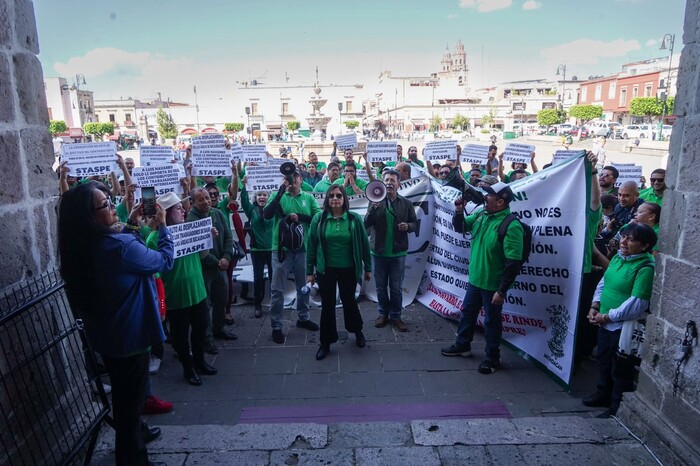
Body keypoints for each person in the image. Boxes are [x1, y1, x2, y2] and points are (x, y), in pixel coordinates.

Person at [58, 182, 174, 466]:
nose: (112, 207)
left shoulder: (82, 245)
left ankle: (137, 437)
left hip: (108, 336)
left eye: (111, 201)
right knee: (129, 407)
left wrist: (132, 224)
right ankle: (133, 459)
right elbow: (163, 261)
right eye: (105, 205)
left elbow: (122, 255)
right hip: (131, 336)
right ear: (89, 216)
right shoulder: (118, 246)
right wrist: (162, 228)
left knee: (125, 398)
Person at [441, 182, 524, 374]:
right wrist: (459, 210)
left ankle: (492, 358)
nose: (484, 197)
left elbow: (514, 262)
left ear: (501, 201)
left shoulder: (511, 226)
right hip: (475, 280)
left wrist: (502, 291)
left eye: (489, 195)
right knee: (467, 313)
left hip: (493, 285)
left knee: (491, 322)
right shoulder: (481, 215)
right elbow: (460, 227)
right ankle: (463, 345)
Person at [584, 223, 657, 418]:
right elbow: (604, 283)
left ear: (644, 246)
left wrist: (607, 317)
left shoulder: (645, 267)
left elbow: (637, 303)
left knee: (620, 368)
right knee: (604, 360)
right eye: (623, 236)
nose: (624, 241)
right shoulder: (618, 257)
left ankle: (616, 407)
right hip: (604, 322)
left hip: (622, 327)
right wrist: (595, 306)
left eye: (631, 239)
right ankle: (602, 394)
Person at [147, 192, 217, 386]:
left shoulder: (189, 230)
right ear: (166, 213)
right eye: (178, 208)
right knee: (180, 335)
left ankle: (200, 362)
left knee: (201, 328)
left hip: (197, 290)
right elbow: (155, 270)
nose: (184, 211)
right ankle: (188, 369)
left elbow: (202, 256)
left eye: (182, 207)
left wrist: (207, 239)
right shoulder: (154, 238)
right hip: (176, 295)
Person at [306, 184, 372, 360]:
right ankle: (325, 342)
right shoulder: (318, 219)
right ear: (327, 200)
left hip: (349, 268)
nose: (335, 198)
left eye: (338, 195)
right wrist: (309, 272)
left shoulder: (354, 219)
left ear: (344, 199)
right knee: (327, 305)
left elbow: (365, 245)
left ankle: (357, 330)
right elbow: (311, 246)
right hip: (325, 269)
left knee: (349, 300)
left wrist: (369, 268)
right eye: (331, 196)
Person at [263, 168, 322, 344]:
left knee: (303, 286)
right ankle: (277, 326)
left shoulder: (308, 197)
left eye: (295, 176)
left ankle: (303, 317)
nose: (293, 179)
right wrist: (281, 191)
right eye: (289, 177)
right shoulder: (278, 195)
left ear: (301, 180)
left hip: (302, 249)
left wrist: (301, 217)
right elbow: (267, 214)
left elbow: (318, 216)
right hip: (281, 250)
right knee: (277, 289)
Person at [364, 170, 418, 332]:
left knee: (395, 288)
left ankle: (396, 316)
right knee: (380, 287)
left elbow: (415, 223)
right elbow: (366, 222)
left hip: (397, 254)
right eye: (386, 180)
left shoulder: (406, 203)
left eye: (392, 180)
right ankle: (383, 314)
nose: (389, 182)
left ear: (399, 184)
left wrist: (408, 226)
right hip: (378, 253)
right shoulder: (375, 200)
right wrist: (373, 209)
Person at [187, 187, 238, 356]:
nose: (206, 201)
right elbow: (198, 249)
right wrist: (217, 262)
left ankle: (219, 328)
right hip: (204, 269)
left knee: (221, 299)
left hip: (221, 266)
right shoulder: (190, 220)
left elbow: (228, 237)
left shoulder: (217, 213)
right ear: (193, 202)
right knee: (205, 305)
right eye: (201, 199)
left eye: (207, 198)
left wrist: (227, 256)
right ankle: (206, 338)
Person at [240, 184, 273, 317]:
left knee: (273, 276)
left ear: (268, 197)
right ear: (255, 197)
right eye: (259, 195)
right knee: (258, 277)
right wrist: (244, 185)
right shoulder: (251, 210)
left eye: (265, 194)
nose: (262, 197)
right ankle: (257, 305)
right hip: (257, 249)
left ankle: (275, 303)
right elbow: (243, 200)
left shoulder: (273, 208)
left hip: (272, 248)